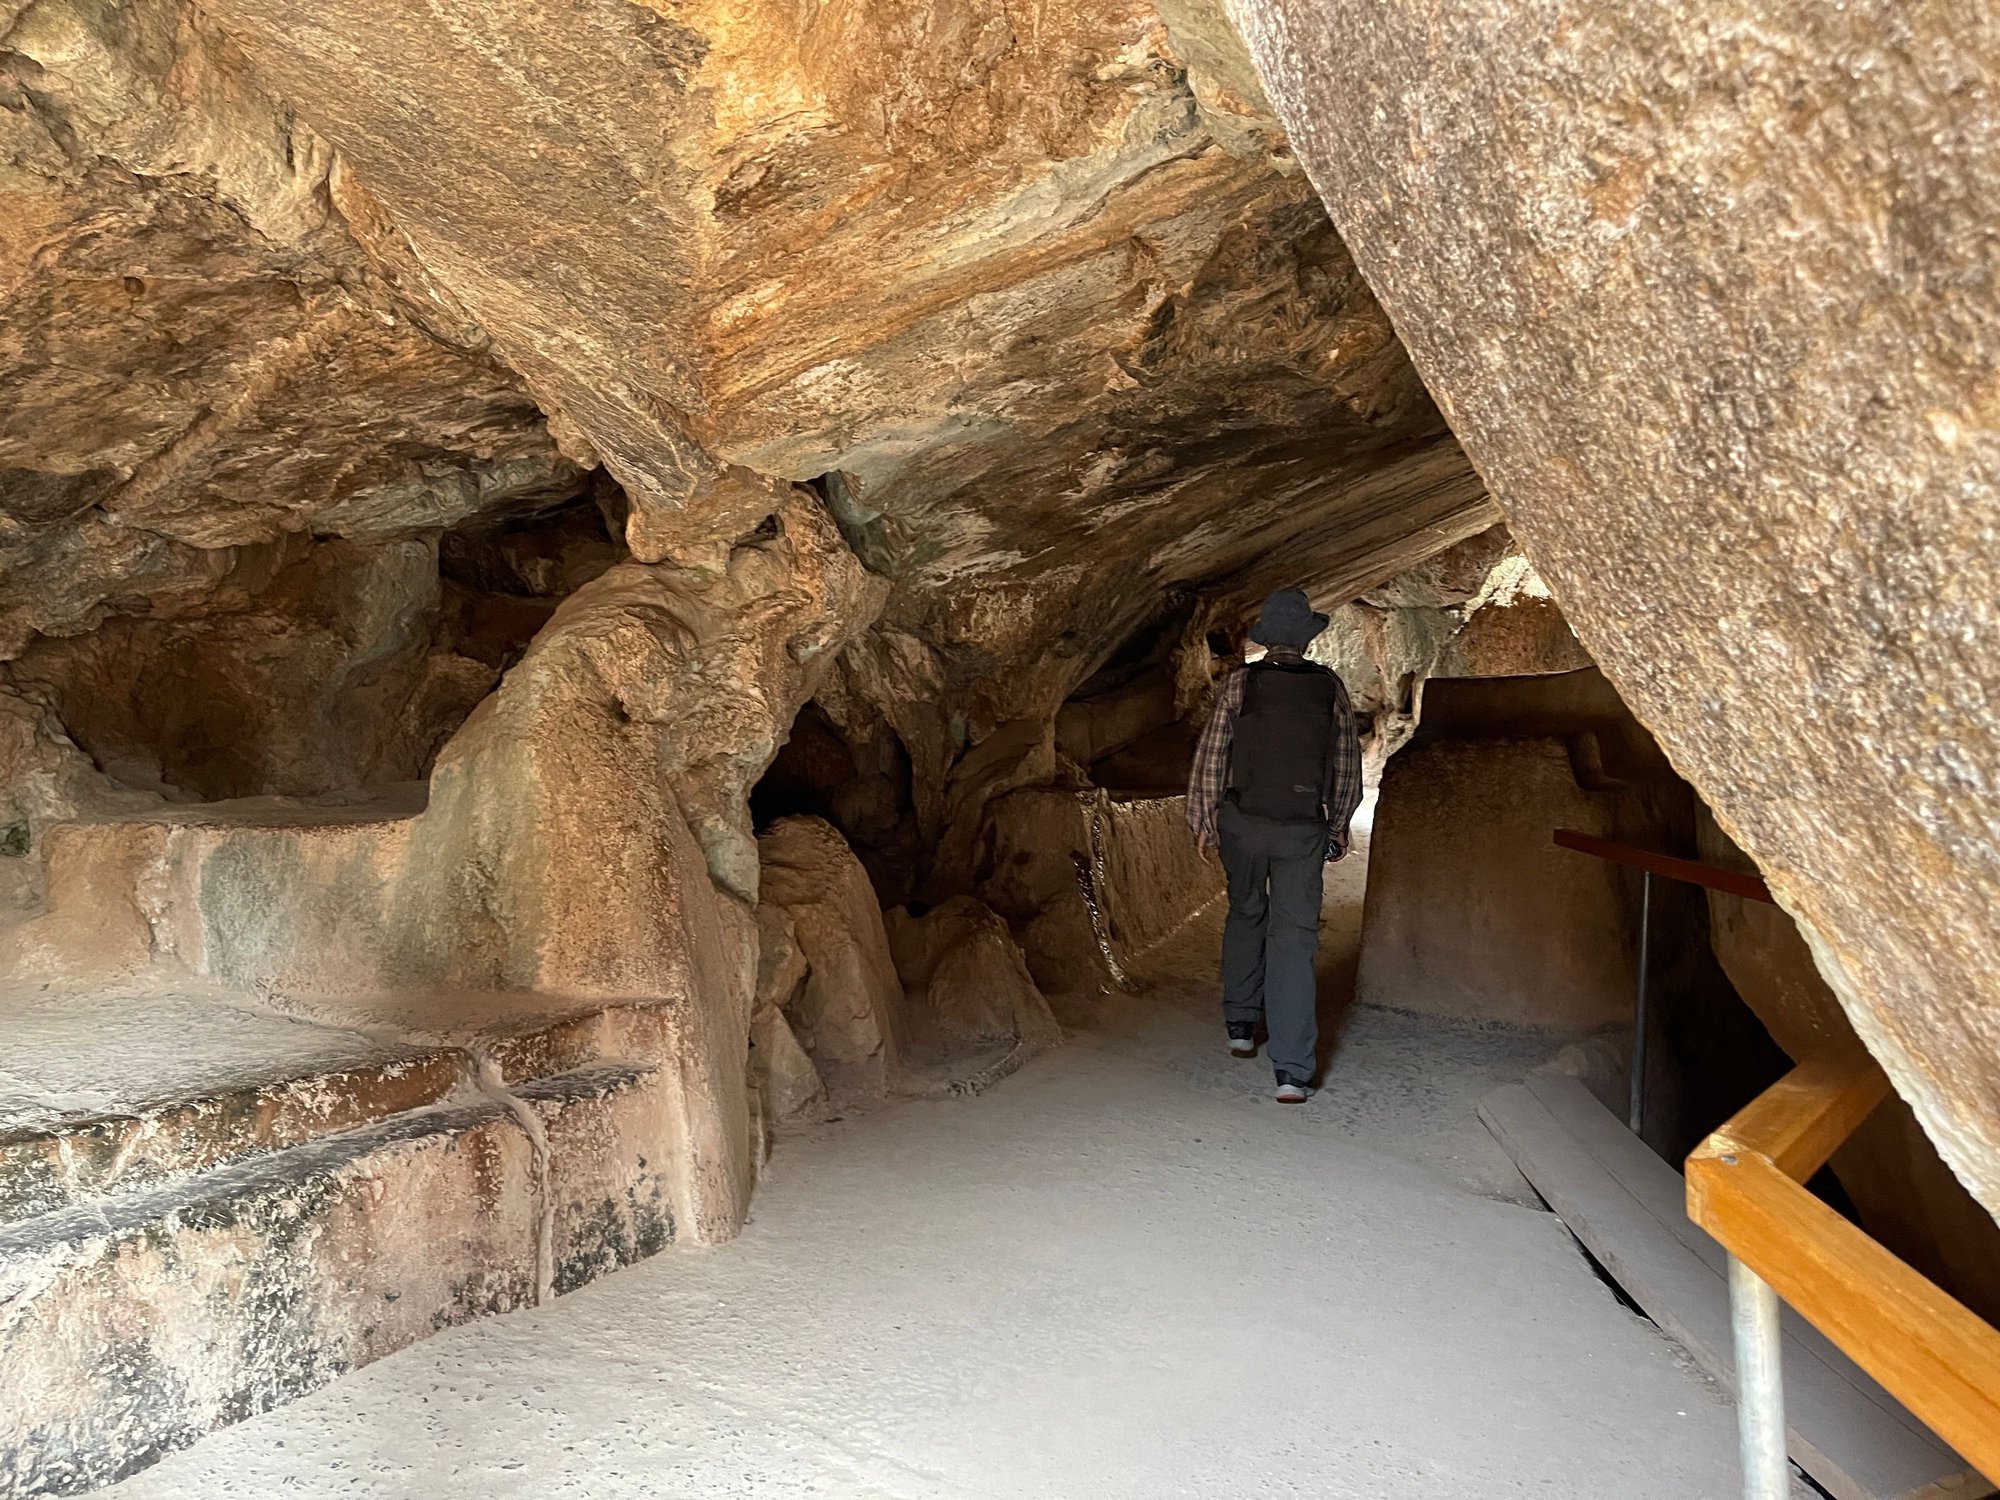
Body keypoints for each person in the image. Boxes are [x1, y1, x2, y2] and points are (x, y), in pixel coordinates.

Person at [1186, 588, 1364, 1103]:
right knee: (1294, 939)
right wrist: (1338, 824)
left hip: (1243, 825)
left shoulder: (1241, 683)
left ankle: (1241, 1026)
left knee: (1246, 913)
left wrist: (1202, 818)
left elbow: (1213, 754)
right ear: (1306, 639)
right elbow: (1345, 762)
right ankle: (1292, 1071)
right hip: (1300, 830)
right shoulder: (1329, 686)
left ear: (1266, 640)